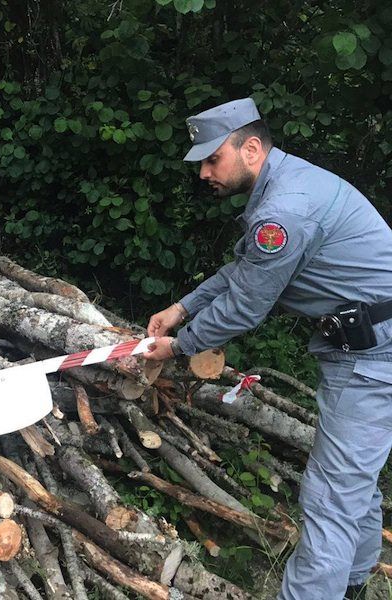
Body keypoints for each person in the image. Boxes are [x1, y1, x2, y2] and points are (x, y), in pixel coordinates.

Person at [143, 98, 392, 600]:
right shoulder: (286, 187)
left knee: (328, 497)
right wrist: (182, 307)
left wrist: (177, 345)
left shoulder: (284, 211)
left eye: (213, 160)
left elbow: (244, 308)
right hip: (364, 348)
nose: (204, 173)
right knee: (350, 483)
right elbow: (243, 270)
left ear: (251, 148)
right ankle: (353, 584)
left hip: (372, 358)